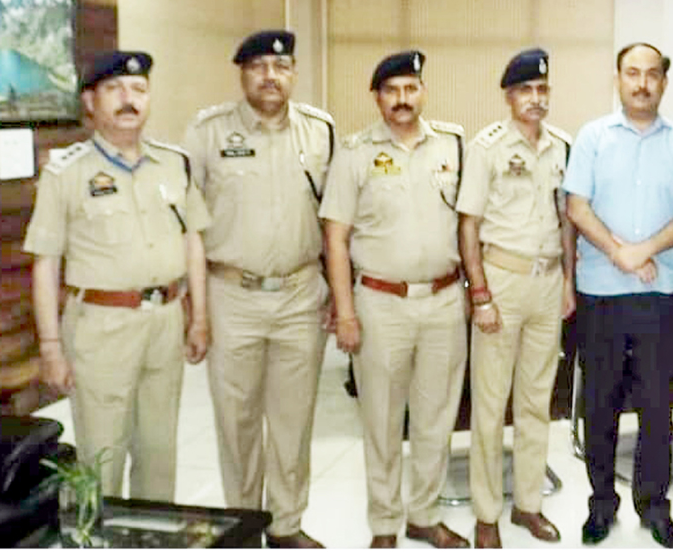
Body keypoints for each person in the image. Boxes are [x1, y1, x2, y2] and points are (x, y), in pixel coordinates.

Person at [26, 51, 210, 501]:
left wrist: (199, 317)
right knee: (101, 453)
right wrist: (50, 348)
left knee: (160, 449)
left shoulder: (173, 163)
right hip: (100, 329)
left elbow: (193, 243)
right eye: (115, 90)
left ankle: (151, 538)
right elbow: (45, 263)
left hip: (165, 321)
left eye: (139, 89)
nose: (129, 99)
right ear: (90, 102)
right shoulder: (66, 172)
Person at [182, 30, 334, 549]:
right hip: (232, 297)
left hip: (299, 294)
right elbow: (189, 228)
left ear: (293, 73)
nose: (271, 76)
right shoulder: (207, 133)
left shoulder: (320, 132)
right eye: (259, 66)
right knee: (237, 420)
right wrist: (197, 312)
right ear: (242, 73)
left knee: (293, 423)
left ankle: (287, 526)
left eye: (282, 65)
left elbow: (335, 223)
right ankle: (244, 525)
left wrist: (338, 293)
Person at [320, 50, 470, 549]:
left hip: (445, 302)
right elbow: (335, 238)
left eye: (411, 88)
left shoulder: (453, 145)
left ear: (423, 92)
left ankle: (424, 515)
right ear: (377, 97)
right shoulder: (355, 151)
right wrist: (344, 312)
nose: (403, 99)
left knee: (436, 419)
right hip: (380, 303)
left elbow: (469, 225)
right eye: (392, 90)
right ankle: (385, 524)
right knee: (382, 421)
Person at [563, 42, 673, 549]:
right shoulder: (592, 137)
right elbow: (577, 206)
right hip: (601, 292)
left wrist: (644, 249)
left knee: (655, 404)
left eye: (651, 75)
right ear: (618, 79)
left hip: (661, 293)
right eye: (632, 73)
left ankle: (655, 505)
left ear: (663, 83)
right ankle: (601, 503)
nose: (642, 82)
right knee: (599, 403)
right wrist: (619, 252)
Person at [457, 48, 576, 549]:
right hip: (501, 282)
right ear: (509, 96)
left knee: (536, 402)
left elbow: (566, 220)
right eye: (526, 90)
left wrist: (568, 282)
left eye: (542, 90)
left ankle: (528, 504)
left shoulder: (562, 146)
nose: (536, 99)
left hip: (548, 284)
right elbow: (469, 225)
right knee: (489, 404)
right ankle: (486, 513)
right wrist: (479, 292)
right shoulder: (486, 146)